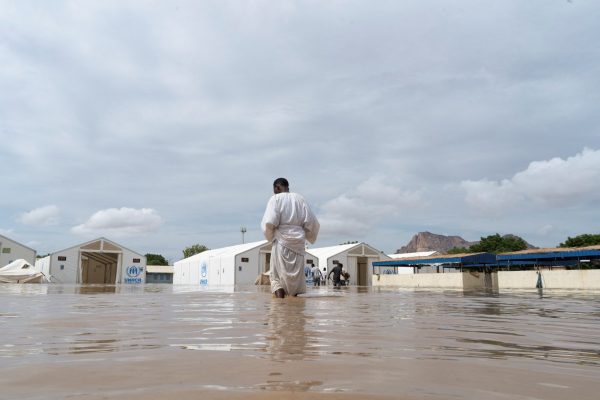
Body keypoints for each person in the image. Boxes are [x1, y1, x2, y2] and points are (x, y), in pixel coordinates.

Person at [261, 177, 320, 298]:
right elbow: (312, 222)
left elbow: (270, 222)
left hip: (281, 241)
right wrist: (308, 235)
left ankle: (280, 309)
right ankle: (295, 312)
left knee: (277, 279)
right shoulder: (300, 199)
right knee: (295, 280)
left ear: (277, 188)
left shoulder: (275, 199)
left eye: (274, 190)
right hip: (298, 243)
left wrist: (270, 236)